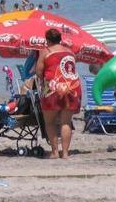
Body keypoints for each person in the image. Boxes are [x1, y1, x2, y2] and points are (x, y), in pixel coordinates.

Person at [35, 28, 81, 159]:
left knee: (49, 122)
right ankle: (65, 153)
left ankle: (55, 152)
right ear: (60, 39)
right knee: (66, 122)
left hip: (53, 88)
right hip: (72, 88)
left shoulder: (45, 51)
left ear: (47, 40)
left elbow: (39, 72)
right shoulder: (70, 52)